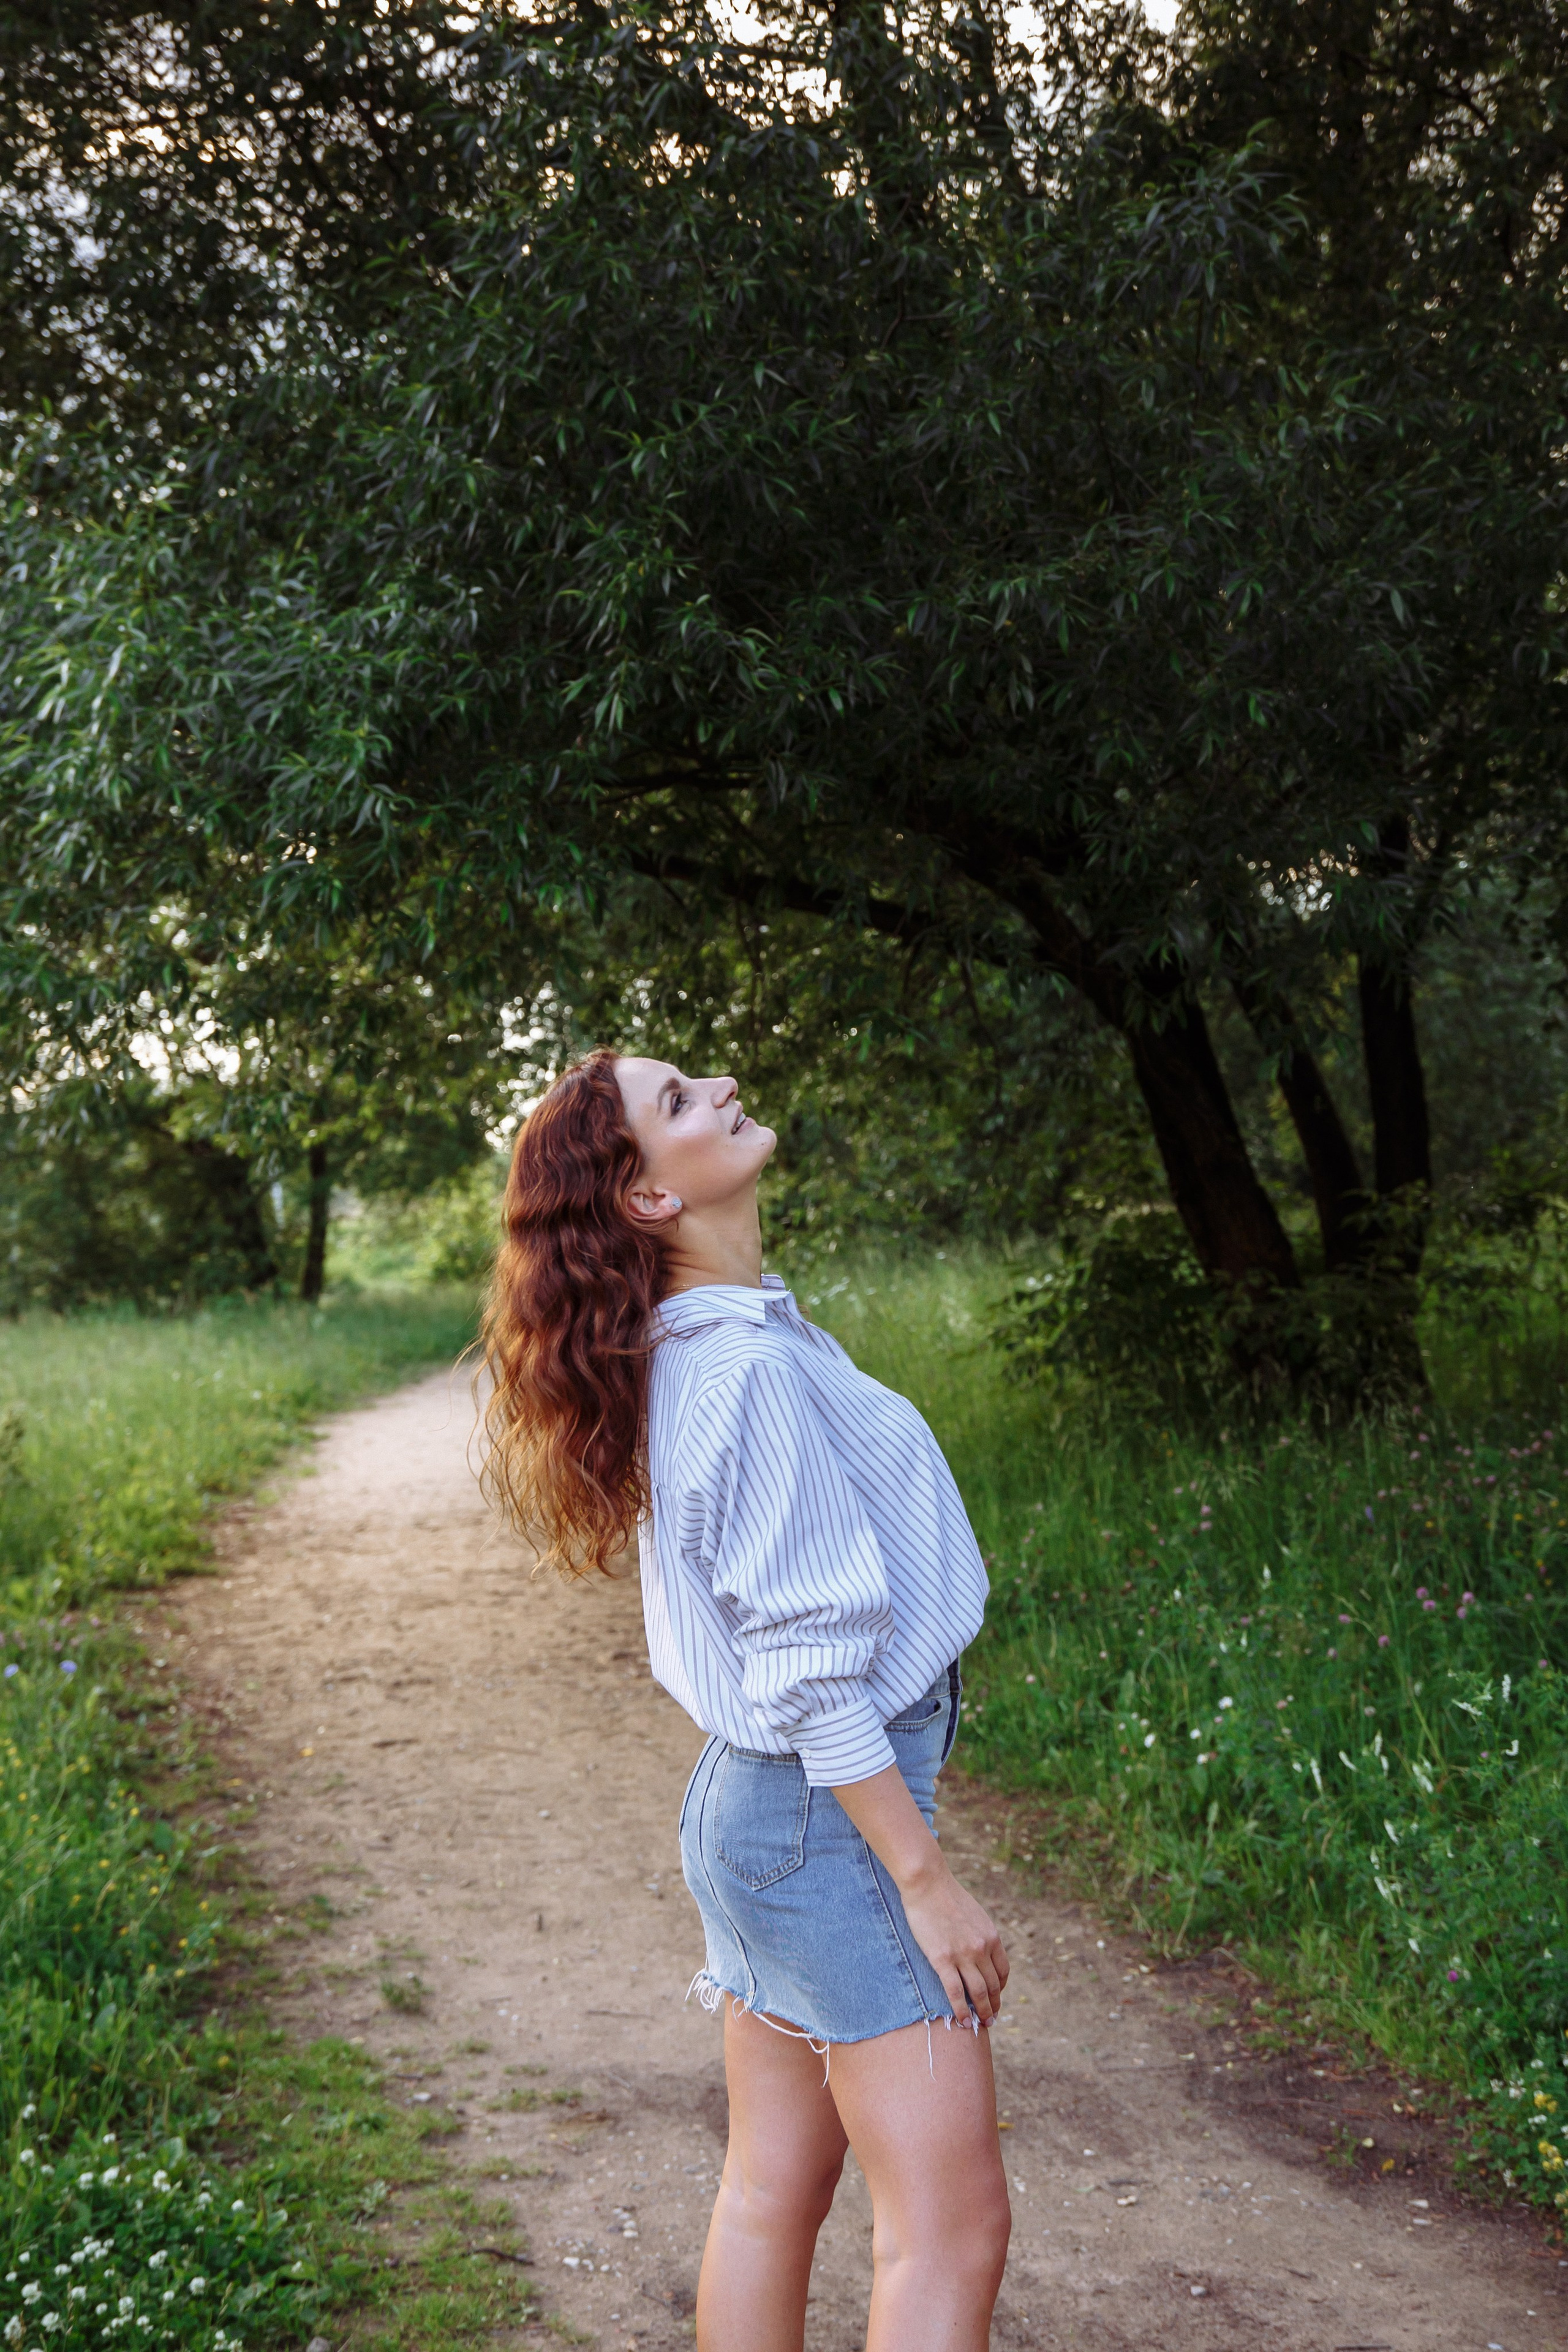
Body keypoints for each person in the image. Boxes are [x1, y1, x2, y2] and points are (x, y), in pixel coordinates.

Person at [480, 1048, 1011, 2351]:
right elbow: (812, 1674)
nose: (715, 1088)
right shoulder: (742, 1375)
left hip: (759, 1822)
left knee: (772, 2190)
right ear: (650, 1200)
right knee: (951, 2230)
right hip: (826, 1826)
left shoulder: (729, 1337)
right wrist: (923, 1878)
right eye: (677, 1103)